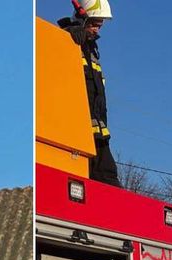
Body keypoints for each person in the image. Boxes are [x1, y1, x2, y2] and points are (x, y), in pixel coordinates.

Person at [57, 0, 121, 187]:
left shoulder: (90, 49)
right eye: (94, 24)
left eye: (100, 26)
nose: (97, 30)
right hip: (76, 128)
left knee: (107, 178)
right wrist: (73, 33)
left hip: (96, 131)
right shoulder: (67, 38)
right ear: (82, 18)